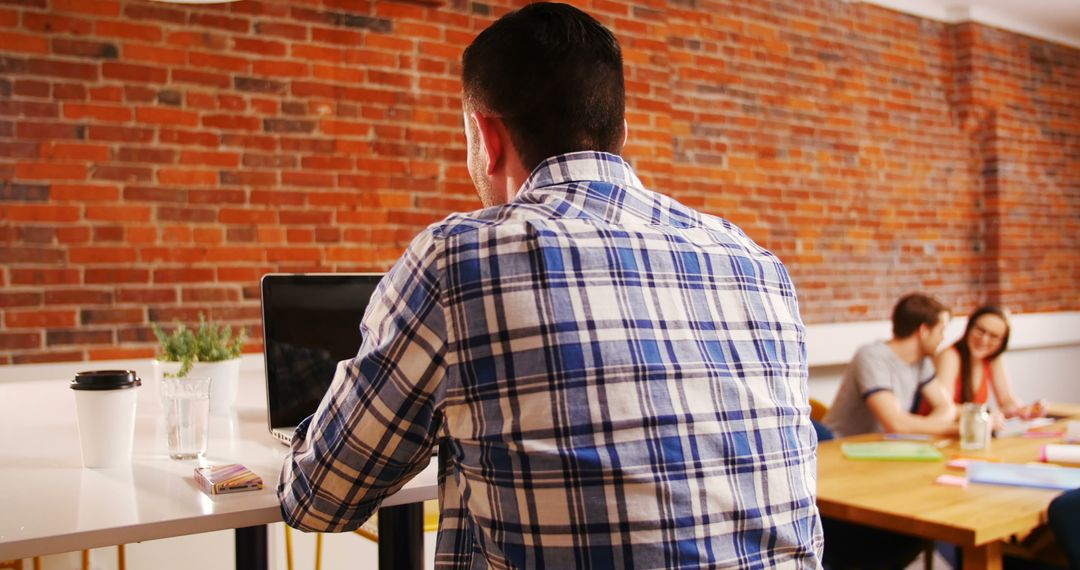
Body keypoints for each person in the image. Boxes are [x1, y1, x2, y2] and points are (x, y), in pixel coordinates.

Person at [278, 3, 822, 568]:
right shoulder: (757, 263)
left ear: (487, 137)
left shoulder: (459, 259)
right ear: (622, 136)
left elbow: (319, 500)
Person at [823, 293, 958, 438]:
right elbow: (895, 423)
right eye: (941, 330)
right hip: (838, 446)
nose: (943, 338)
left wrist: (919, 427)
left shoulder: (922, 362)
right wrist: (951, 429)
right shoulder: (871, 356)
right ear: (924, 331)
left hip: (885, 448)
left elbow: (947, 407)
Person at [934, 304, 1046, 419]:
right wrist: (987, 414)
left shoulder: (992, 357)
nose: (984, 340)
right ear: (969, 327)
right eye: (980, 330)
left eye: (993, 336)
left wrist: (1023, 410)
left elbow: (1006, 400)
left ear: (1001, 343)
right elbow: (945, 408)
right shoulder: (950, 356)